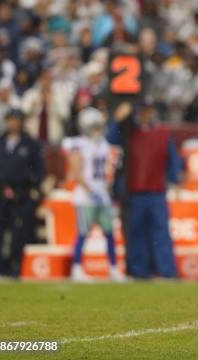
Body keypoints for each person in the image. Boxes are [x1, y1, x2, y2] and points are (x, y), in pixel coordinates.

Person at [107, 99, 181, 279]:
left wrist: (175, 180)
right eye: (142, 111)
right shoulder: (129, 133)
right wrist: (118, 118)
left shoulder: (163, 134)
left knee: (161, 233)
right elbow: (110, 138)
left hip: (156, 191)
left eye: (148, 110)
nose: (145, 114)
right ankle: (140, 272)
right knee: (137, 233)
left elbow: (172, 160)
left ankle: (166, 272)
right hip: (136, 191)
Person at [64, 107, 125, 282]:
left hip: (102, 195)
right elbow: (76, 171)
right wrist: (91, 191)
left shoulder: (104, 144)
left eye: (99, 126)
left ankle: (114, 270)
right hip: (85, 196)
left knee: (109, 234)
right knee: (83, 233)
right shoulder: (79, 144)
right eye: (94, 126)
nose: (97, 129)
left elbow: (110, 168)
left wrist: (105, 189)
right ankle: (76, 270)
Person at [0, 109, 44, 278]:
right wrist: (0, 187)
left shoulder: (30, 144)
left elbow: (39, 170)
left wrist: (29, 186)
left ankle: (15, 269)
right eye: (10, 120)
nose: (13, 123)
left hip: (22, 195)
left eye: (16, 120)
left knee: (19, 233)